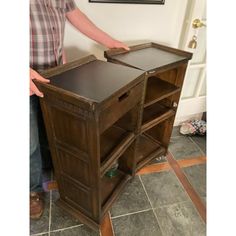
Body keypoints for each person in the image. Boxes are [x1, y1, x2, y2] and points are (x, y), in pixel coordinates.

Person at [30, 0, 129, 219]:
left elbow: (75, 15)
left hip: (56, 76)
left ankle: (56, 170)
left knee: (53, 131)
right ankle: (32, 191)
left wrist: (111, 42)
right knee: (27, 143)